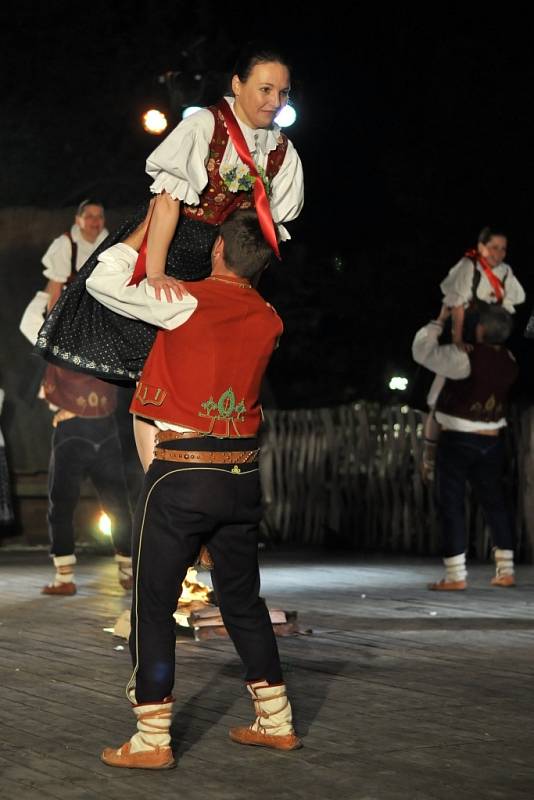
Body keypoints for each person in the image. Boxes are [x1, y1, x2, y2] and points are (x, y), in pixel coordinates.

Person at [84, 208, 301, 770]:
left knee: (153, 603)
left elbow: (103, 281)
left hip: (183, 473)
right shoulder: (271, 317)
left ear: (216, 252)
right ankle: (276, 722)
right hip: (242, 479)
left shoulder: (185, 300)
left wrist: (151, 221)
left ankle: (152, 738)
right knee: (242, 601)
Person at [35, 42, 304, 471]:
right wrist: (155, 271)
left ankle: (200, 472)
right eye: (265, 89)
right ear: (237, 85)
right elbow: (166, 204)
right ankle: (156, 479)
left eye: (284, 93)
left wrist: (245, 295)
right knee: (153, 365)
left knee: (207, 368)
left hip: (222, 261)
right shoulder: (204, 126)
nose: (275, 102)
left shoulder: (282, 153)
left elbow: (259, 238)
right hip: (174, 243)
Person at [19, 203, 133, 594]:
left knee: (114, 499)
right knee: (67, 501)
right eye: (90, 216)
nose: (96, 222)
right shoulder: (64, 249)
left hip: (96, 420)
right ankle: (68, 575)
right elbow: (50, 300)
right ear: (78, 220)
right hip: (74, 416)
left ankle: (126, 569)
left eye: (101, 216)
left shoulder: (110, 249)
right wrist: (56, 333)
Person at [412, 304, 518, 591]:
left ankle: (456, 575)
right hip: (492, 440)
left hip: (458, 439)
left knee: (452, 504)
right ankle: (506, 570)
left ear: (480, 330)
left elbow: (423, 353)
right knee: (495, 502)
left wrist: (440, 320)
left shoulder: (465, 358)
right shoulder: (509, 359)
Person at [421, 227, 525, 481]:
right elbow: (456, 305)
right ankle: (430, 457)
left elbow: (511, 306)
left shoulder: (505, 272)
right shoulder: (468, 266)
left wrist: (499, 341)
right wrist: (457, 340)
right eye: (494, 247)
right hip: (467, 336)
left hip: (489, 338)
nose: (499, 253)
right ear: (481, 247)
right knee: (439, 397)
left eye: (503, 248)